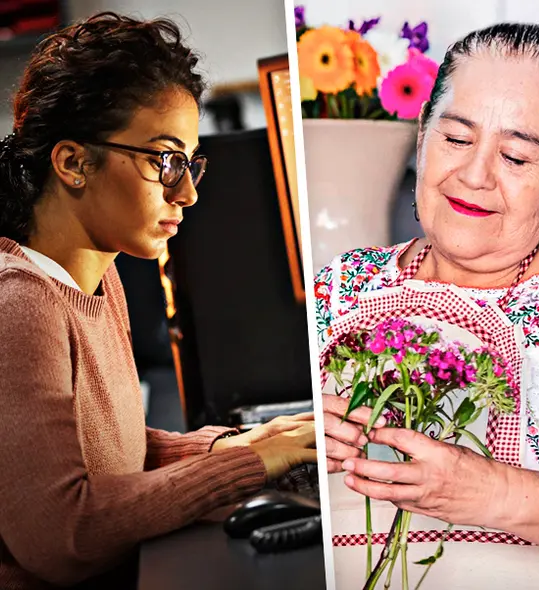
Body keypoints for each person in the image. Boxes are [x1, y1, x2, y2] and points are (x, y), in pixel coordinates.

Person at [315, 23, 539, 590]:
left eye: (515, 156)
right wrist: (305, 448)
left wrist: (487, 491)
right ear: (422, 135)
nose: (474, 175)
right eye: (456, 139)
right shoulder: (341, 286)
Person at [0, 13, 316, 590]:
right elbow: (61, 534)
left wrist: (242, 444)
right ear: (72, 163)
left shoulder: (99, 280)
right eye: (164, 160)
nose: (187, 192)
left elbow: (105, 452)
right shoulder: (19, 302)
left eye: (189, 163)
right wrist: (245, 466)